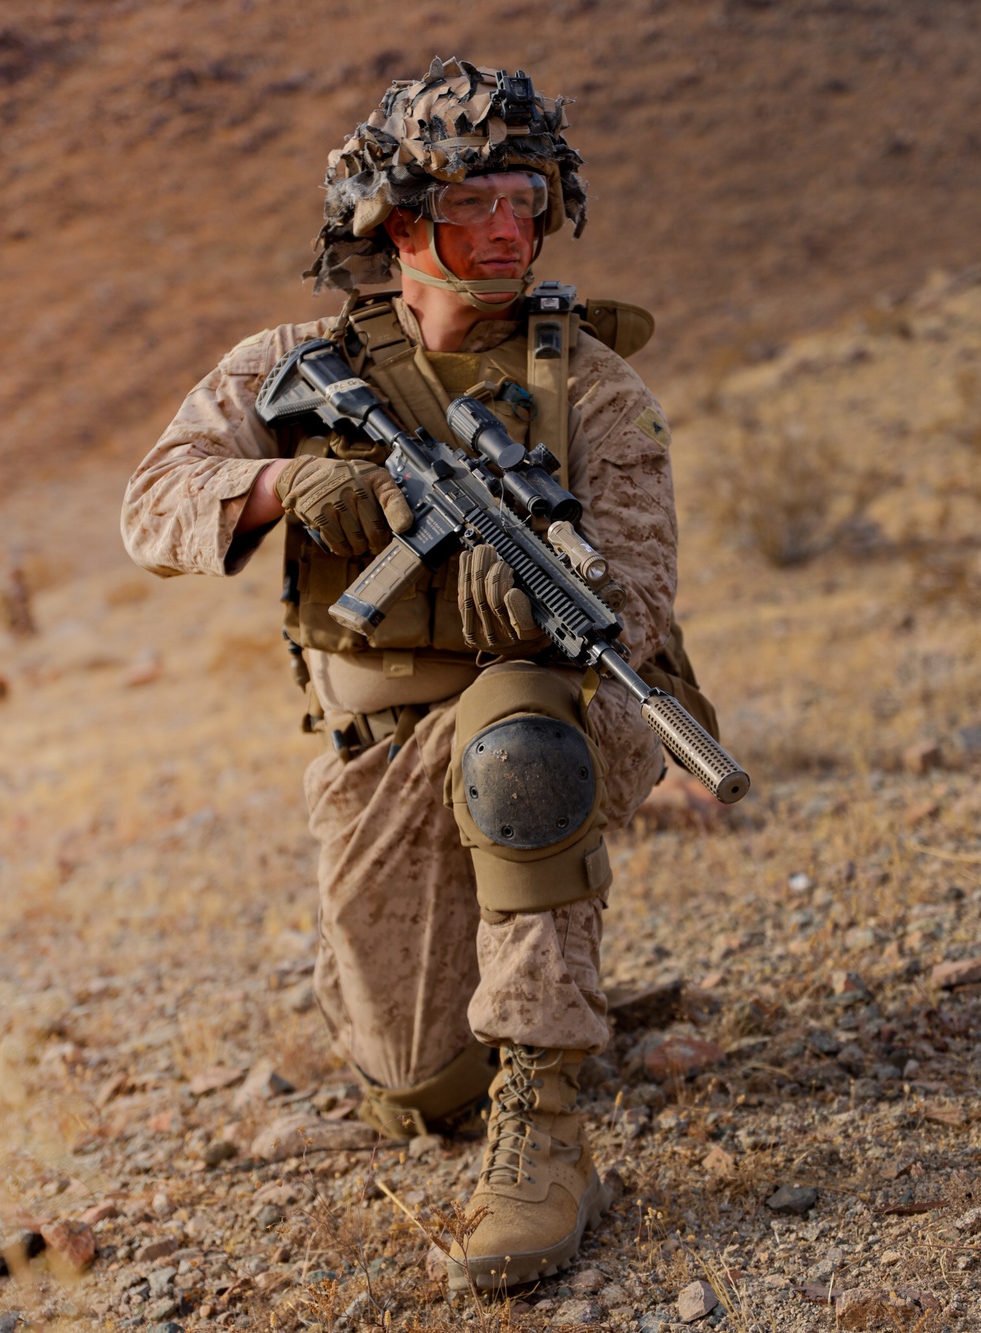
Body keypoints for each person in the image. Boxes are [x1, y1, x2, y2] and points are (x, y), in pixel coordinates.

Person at [122, 57, 706, 1293]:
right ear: (397, 222)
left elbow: (639, 609)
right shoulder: (294, 359)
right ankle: (506, 1037)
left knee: (529, 729)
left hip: (542, 723)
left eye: (525, 201)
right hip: (376, 760)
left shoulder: (592, 386)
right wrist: (283, 484)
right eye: (470, 205)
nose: (506, 231)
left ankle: (547, 1130)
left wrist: (543, 617)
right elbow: (149, 504)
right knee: (416, 1081)